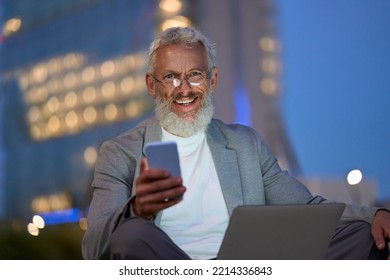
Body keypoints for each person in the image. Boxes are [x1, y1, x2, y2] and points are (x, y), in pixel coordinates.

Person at [82, 26, 390, 260]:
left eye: (195, 74)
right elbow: (94, 247)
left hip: (246, 265)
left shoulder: (245, 144)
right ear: (152, 85)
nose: (185, 89)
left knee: (362, 235)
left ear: (213, 80)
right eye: (171, 78)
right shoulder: (120, 152)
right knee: (130, 235)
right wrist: (138, 209)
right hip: (169, 264)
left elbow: (306, 208)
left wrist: (372, 214)